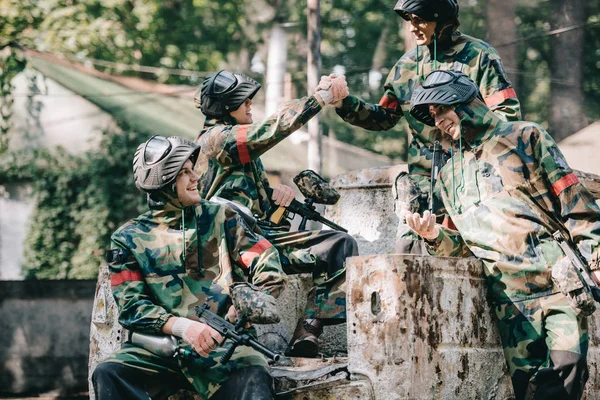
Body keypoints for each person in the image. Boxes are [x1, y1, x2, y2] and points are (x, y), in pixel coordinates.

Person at [404, 70, 600, 399]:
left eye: (440, 109)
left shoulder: (526, 137)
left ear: (463, 102)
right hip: (510, 303)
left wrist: (596, 259)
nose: (437, 121)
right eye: (432, 115)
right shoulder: (449, 176)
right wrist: (435, 236)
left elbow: (575, 201)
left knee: (569, 371)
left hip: (557, 285)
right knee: (531, 390)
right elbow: (466, 248)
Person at [92, 135, 288, 400]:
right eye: (184, 172)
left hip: (225, 347)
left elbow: (266, 260)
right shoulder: (127, 238)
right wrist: (184, 328)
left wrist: (242, 308)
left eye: (192, 169)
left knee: (253, 376)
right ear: (164, 182)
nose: (196, 177)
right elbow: (132, 307)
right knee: (109, 373)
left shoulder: (222, 218)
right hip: (159, 351)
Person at [330, 0, 521, 253]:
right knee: (406, 253)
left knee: (477, 255)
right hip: (422, 185)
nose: (412, 28)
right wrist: (344, 102)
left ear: (442, 20)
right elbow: (384, 116)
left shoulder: (479, 56)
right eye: (410, 19)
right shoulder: (405, 67)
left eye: (420, 19)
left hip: (474, 180)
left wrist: (473, 148)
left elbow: (506, 114)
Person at [193, 70, 359, 357]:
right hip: (227, 246)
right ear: (226, 107)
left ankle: (307, 331)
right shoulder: (217, 140)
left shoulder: (243, 151)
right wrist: (320, 98)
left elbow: (261, 211)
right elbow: (272, 129)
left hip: (260, 238)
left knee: (340, 245)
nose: (250, 106)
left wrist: (275, 199)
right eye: (243, 101)